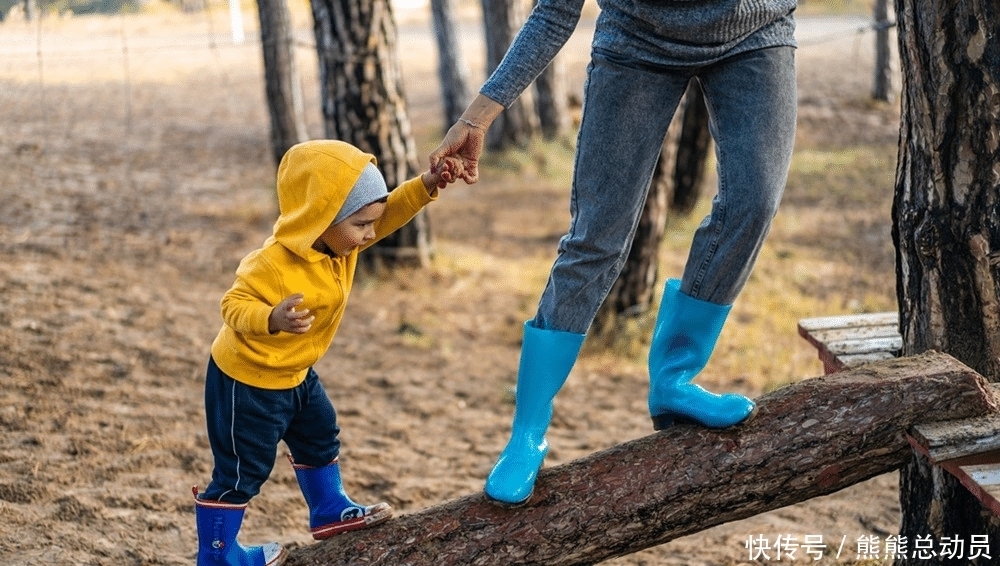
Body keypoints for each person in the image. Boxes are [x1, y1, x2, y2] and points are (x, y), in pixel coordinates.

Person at [429, 0, 798, 505]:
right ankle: (527, 435)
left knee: (753, 205)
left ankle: (674, 379)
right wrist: (479, 116)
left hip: (756, 30)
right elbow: (555, 11)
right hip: (637, 41)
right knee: (596, 239)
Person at [192, 139, 461, 566]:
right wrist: (270, 318)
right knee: (244, 471)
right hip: (248, 383)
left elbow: (386, 213)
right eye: (361, 225)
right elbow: (232, 305)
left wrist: (428, 183)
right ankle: (217, 555)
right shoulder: (273, 263)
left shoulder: (338, 245)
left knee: (320, 433)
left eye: (371, 223)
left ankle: (328, 509)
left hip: (298, 374)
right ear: (320, 217)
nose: (370, 233)